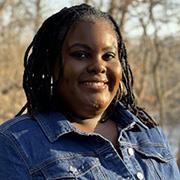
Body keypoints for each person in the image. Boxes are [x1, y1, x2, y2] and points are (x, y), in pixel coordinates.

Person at [0, 3, 179, 180]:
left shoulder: (148, 131)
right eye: (81, 54)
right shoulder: (14, 144)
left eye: (108, 56)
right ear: (51, 64)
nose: (98, 66)